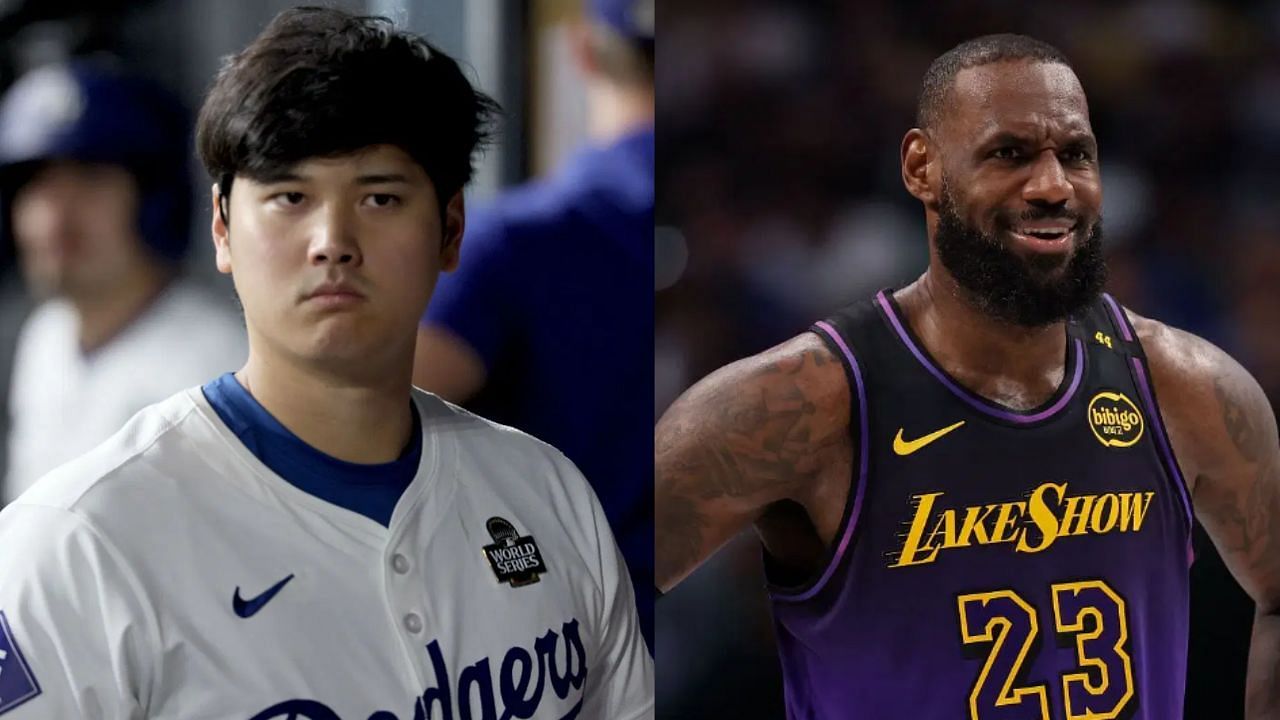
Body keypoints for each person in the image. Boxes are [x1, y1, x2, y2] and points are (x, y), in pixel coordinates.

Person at [0, 8, 652, 719]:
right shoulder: (74, 544)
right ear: (222, 228)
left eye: (379, 197)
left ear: (451, 228)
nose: (332, 241)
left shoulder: (549, 495)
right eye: (289, 197)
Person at [656, 33, 1280, 719]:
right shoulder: (807, 402)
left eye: (1075, 154)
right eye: (1008, 154)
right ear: (922, 167)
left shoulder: (1185, 386)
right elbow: (591, 593)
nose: (1051, 186)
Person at [414, 0, 655, 649]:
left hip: (556, 652)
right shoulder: (776, 224)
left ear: (580, 50)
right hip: (741, 651)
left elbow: (355, 428)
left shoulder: (517, 242)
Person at [0, 59, 247, 502]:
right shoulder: (47, 334)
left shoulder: (219, 367)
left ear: (154, 201)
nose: (54, 218)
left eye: (90, 181)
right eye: (37, 187)